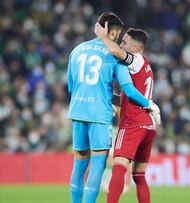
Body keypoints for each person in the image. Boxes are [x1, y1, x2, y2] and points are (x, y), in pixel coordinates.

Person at [67, 12, 160, 203]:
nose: (120, 42)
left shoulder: (77, 50)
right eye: (119, 37)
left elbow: (71, 86)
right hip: (103, 116)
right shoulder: (115, 57)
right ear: (113, 32)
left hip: (78, 111)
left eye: (124, 41)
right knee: (102, 165)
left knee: (79, 163)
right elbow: (129, 90)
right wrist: (149, 104)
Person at [94, 22, 159, 203]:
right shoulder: (145, 66)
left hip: (133, 123)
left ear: (136, 48)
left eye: (124, 42)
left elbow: (115, 52)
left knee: (119, 167)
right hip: (148, 124)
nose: (121, 45)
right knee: (139, 176)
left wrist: (103, 36)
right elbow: (129, 97)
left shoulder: (136, 59)